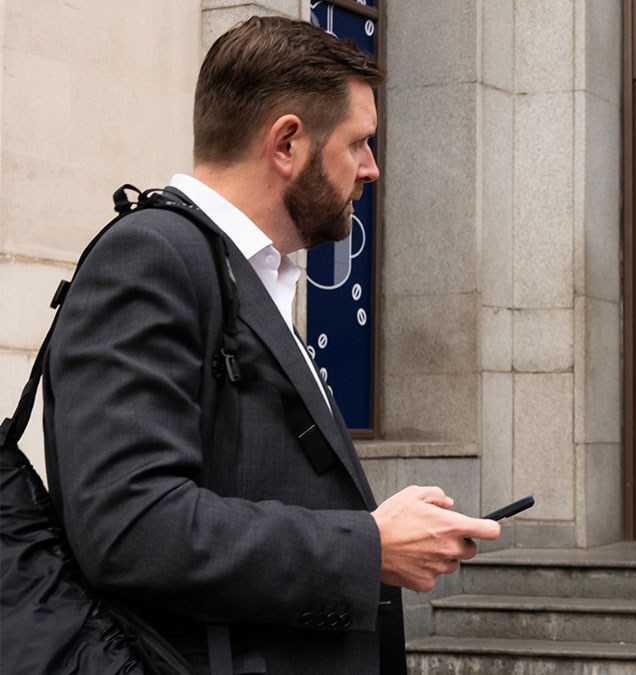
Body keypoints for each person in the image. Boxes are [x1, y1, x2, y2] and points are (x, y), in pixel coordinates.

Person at [41, 16, 500, 674]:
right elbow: (130, 524)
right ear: (286, 143)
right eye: (358, 143)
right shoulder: (152, 257)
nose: (371, 169)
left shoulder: (243, 271)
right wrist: (366, 545)